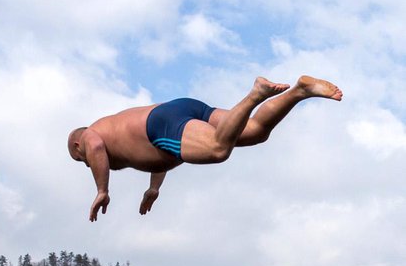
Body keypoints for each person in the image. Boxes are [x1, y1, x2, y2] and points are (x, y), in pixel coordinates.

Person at [67, 75, 343, 221]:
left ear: (77, 146)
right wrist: (154, 188)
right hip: (178, 111)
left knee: (217, 150)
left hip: (161, 123)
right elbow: (162, 152)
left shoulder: (92, 134)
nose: (87, 163)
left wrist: (102, 190)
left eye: (80, 159)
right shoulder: (115, 129)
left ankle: (255, 93)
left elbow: (94, 144)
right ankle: (300, 90)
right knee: (255, 132)